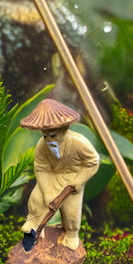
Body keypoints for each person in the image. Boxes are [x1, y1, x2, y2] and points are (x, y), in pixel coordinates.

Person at [20, 99, 100, 251]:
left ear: (64, 130)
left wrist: (78, 180)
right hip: (50, 176)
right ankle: (33, 227)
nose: (49, 140)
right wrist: (47, 192)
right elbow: (41, 168)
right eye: (45, 135)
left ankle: (71, 235)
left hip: (72, 178)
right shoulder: (41, 146)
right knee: (37, 199)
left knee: (71, 212)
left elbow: (93, 162)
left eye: (53, 135)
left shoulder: (78, 142)